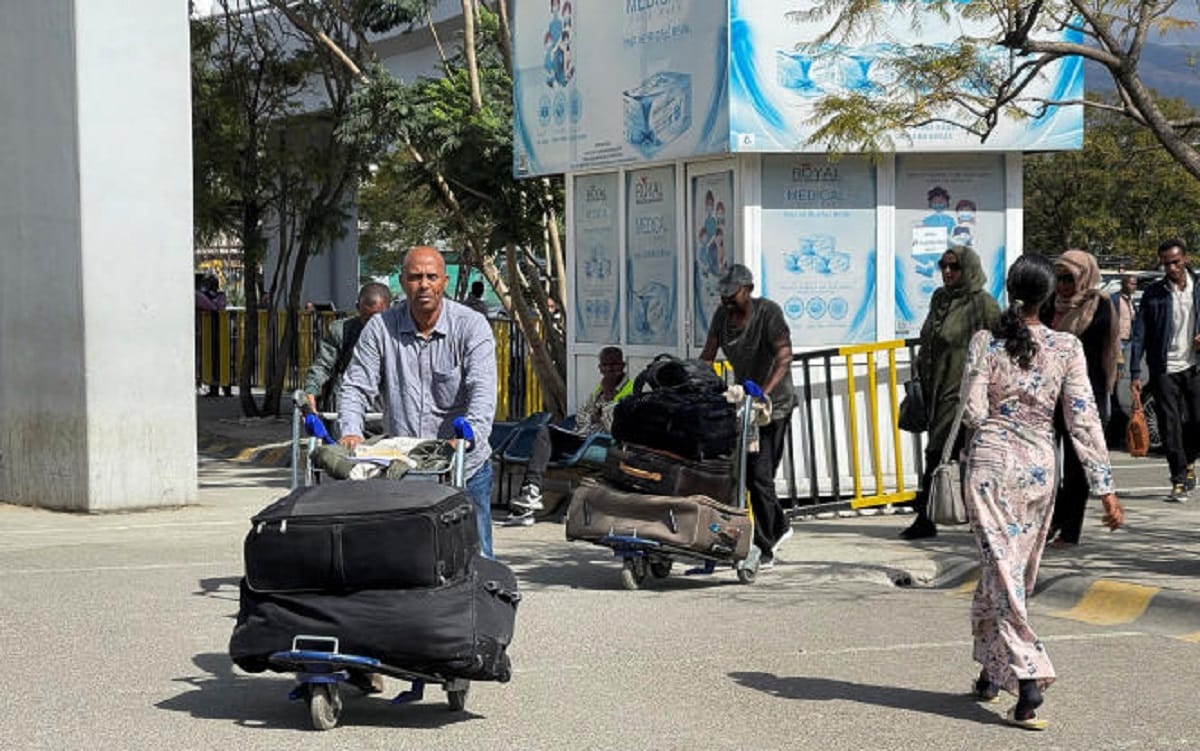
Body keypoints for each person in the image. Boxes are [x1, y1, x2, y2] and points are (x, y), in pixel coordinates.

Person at [960, 253, 1123, 730]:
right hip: (1039, 467)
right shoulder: (1067, 347)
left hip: (991, 463)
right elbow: (1083, 418)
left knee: (1001, 568)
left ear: (1009, 289)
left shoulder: (986, 342)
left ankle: (1028, 678)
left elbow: (971, 411)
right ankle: (992, 670)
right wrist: (1105, 487)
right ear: (1049, 295)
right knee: (1009, 571)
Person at [337, 247, 498, 557]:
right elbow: (356, 386)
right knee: (406, 559)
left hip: (464, 466)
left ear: (444, 281)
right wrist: (351, 430)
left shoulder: (471, 326)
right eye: (415, 277)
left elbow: (482, 390)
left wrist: (468, 438)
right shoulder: (380, 328)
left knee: (477, 559)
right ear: (402, 282)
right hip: (404, 468)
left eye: (431, 277)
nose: (423, 284)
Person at [900, 246, 1001, 540]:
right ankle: (972, 515)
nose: (947, 272)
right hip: (935, 388)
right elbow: (929, 337)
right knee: (953, 453)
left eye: (954, 267)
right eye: (943, 266)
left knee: (938, 453)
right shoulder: (940, 299)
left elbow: (998, 345)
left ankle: (926, 517)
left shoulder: (982, 304)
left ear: (967, 269)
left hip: (961, 392)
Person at [700, 263, 795, 569]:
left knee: (759, 475)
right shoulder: (721, 318)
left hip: (772, 407)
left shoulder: (768, 313)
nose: (726, 301)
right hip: (745, 407)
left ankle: (765, 545)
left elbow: (784, 357)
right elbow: (708, 354)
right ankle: (779, 526)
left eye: (732, 295)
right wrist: (695, 380)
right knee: (745, 473)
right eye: (722, 295)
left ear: (748, 290)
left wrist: (763, 392)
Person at [1040, 251, 1118, 548]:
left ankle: (1070, 530)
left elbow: (1099, 352)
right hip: (1049, 395)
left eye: (1067, 279)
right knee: (1047, 464)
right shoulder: (1049, 306)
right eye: (1057, 278)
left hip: (1084, 394)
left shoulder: (1098, 307)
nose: (1061, 286)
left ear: (1084, 277)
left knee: (1076, 466)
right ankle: (1050, 521)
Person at [505, 346, 633, 526]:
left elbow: (616, 425)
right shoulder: (600, 388)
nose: (610, 369)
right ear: (600, 368)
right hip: (582, 439)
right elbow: (582, 416)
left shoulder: (630, 389)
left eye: (614, 365)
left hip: (602, 445)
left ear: (623, 365)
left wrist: (601, 412)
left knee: (550, 440)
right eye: (606, 365)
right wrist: (598, 414)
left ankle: (530, 499)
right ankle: (530, 492)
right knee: (545, 433)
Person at [1130, 238, 1200, 502]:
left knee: (1196, 421)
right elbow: (1139, 336)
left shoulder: (1198, 288)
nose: (1171, 268)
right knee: (1170, 426)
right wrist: (1136, 373)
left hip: (1194, 366)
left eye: (1175, 262)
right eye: (1166, 263)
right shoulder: (1154, 294)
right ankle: (1178, 480)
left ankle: (1190, 460)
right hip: (1164, 368)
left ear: (1185, 259)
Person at [301, 282, 392, 419]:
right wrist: (311, 390)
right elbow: (323, 365)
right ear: (357, 307)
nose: (371, 325)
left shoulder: (398, 334)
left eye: (377, 318)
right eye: (366, 318)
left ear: (389, 309)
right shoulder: (340, 331)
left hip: (384, 406)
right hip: (347, 402)